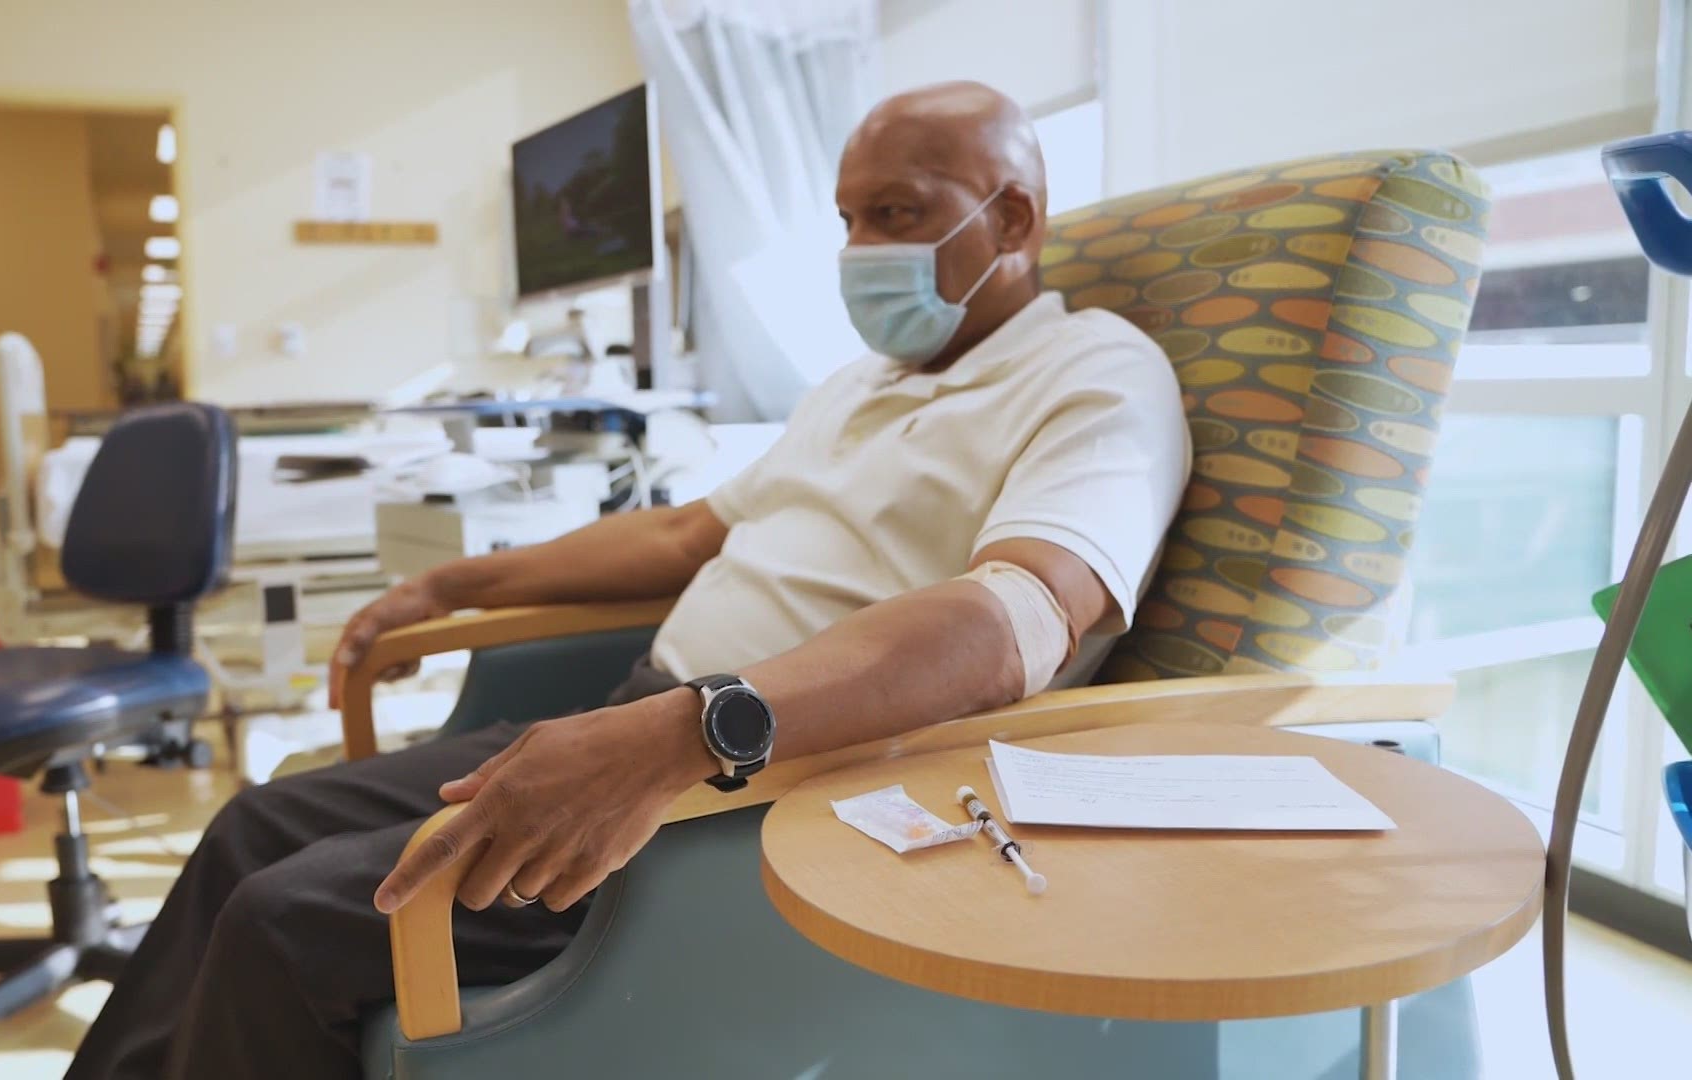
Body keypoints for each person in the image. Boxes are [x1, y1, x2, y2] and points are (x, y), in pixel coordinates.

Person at [67, 80, 1189, 1080]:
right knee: (249, 830)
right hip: (646, 723)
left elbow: (1014, 625)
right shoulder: (861, 383)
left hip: (776, 789)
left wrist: (688, 734)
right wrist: (455, 585)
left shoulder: (1097, 376)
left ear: (1014, 219)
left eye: (893, 214)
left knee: (287, 921)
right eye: (845, 219)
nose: (857, 248)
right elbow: (686, 531)